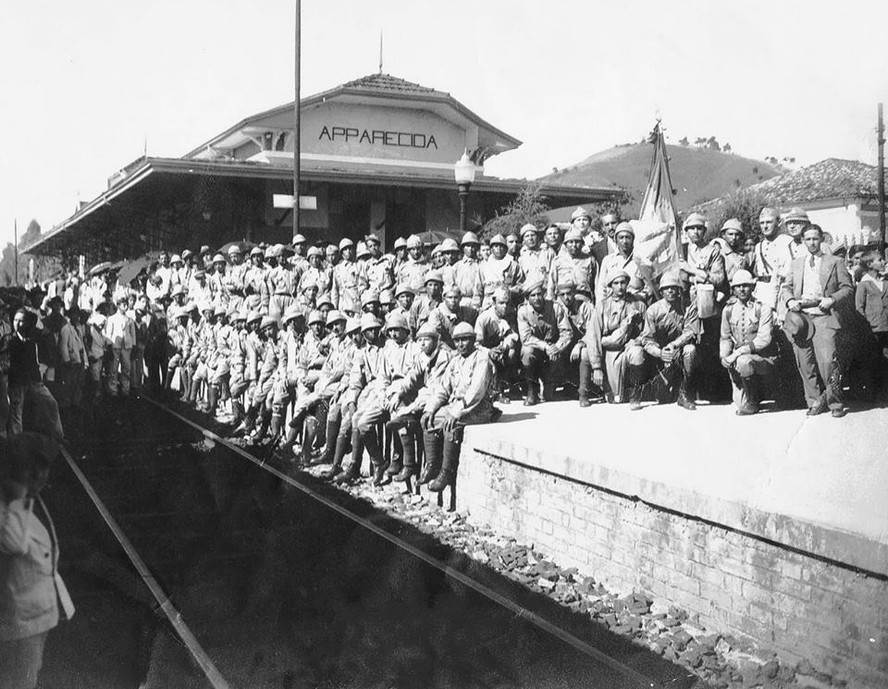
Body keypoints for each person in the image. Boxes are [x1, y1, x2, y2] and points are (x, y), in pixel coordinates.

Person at [0, 432, 74, 689]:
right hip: (18, 622)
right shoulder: (10, 506)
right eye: (32, 473)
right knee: (19, 680)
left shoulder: (34, 500)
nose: (42, 478)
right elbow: (14, 543)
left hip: (37, 614)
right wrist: (18, 495)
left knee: (30, 673)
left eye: (45, 471)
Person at [781, 224, 853, 417]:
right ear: (803, 241)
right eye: (808, 239)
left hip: (824, 316)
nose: (812, 243)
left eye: (815, 238)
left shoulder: (834, 261)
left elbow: (847, 288)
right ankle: (814, 401)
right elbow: (785, 286)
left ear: (821, 239)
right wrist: (789, 301)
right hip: (801, 317)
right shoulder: (797, 263)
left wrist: (832, 299)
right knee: (805, 362)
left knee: (828, 361)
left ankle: (835, 403)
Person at [420, 322, 498, 492]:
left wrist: (456, 412)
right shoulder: (455, 361)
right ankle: (432, 465)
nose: (461, 344)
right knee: (429, 420)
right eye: (457, 341)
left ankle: (446, 472)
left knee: (452, 424)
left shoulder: (481, 359)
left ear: (473, 340)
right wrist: (430, 408)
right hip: (457, 405)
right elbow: (443, 388)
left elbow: (476, 392)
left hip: (478, 408)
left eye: (465, 340)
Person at [633, 272, 699, 411]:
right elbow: (647, 339)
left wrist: (674, 344)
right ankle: (637, 393)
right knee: (662, 397)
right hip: (658, 356)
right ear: (661, 291)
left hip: (679, 350)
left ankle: (684, 392)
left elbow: (690, 331)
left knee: (690, 350)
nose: (670, 291)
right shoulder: (653, 310)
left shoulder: (688, 307)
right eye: (666, 288)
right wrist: (659, 353)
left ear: (679, 290)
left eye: (673, 288)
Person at [719, 270, 778, 415]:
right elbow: (725, 337)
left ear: (752, 287)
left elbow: (764, 339)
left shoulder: (763, 308)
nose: (742, 289)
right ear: (733, 289)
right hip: (738, 360)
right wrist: (724, 356)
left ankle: (753, 400)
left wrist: (737, 353)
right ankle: (748, 397)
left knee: (743, 361)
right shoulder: (728, 310)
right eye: (738, 286)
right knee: (740, 404)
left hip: (763, 357)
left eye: (746, 285)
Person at [585, 269, 647, 404]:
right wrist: (596, 367)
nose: (620, 286)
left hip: (629, 347)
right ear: (610, 286)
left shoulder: (638, 304)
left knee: (637, 353)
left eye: (623, 282)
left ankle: (635, 395)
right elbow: (593, 336)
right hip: (610, 350)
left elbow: (647, 332)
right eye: (616, 283)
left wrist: (637, 341)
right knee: (617, 398)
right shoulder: (602, 306)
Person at [517, 277, 572, 405]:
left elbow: (567, 332)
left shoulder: (555, 308)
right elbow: (526, 338)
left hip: (554, 354)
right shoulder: (523, 312)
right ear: (527, 298)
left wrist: (557, 347)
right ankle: (532, 390)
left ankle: (549, 384)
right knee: (526, 351)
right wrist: (545, 347)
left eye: (539, 294)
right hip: (537, 351)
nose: (537, 298)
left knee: (549, 397)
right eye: (533, 295)